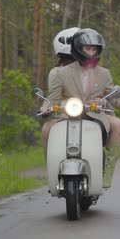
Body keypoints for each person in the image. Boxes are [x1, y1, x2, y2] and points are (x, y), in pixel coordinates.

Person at [40, 28, 120, 188]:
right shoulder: (60, 73)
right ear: (78, 48)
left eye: (94, 49)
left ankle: (107, 173)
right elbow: (52, 98)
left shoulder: (104, 73)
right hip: (67, 115)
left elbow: (117, 101)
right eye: (87, 49)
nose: (91, 52)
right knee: (46, 129)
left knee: (118, 123)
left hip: (95, 115)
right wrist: (46, 108)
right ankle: (52, 174)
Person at [40, 27, 80, 156]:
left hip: (88, 113)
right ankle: (51, 165)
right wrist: (45, 107)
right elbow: (53, 95)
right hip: (64, 115)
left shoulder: (91, 70)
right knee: (46, 129)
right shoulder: (55, 72)